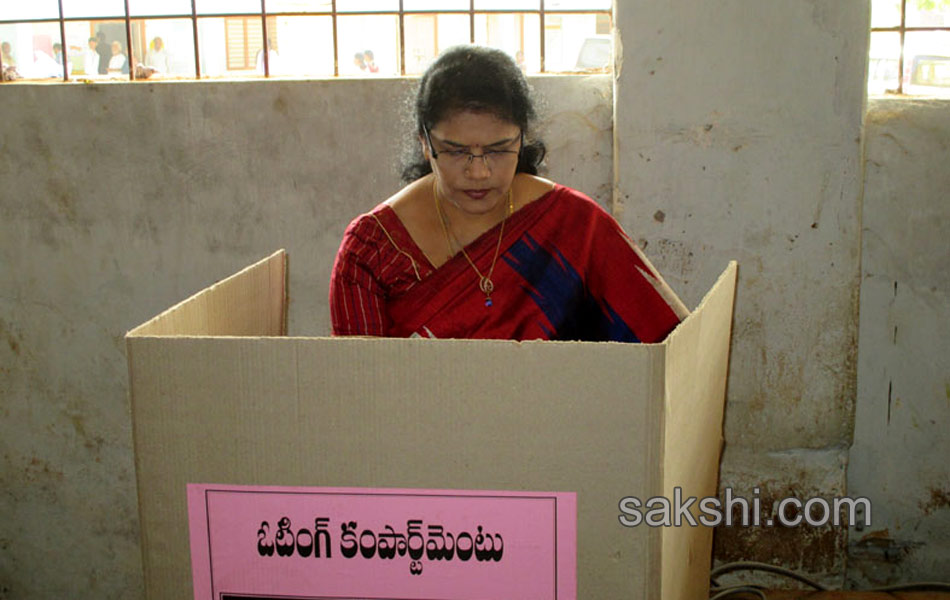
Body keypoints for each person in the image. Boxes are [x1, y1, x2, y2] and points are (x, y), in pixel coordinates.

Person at [329, 45, 688, 341]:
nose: (479, 172)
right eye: (455, 151)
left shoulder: (572, 223)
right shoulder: (373, 250)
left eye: (499, 149)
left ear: (522, 138)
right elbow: (362, 388)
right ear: (425, 143)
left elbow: (671, 349)